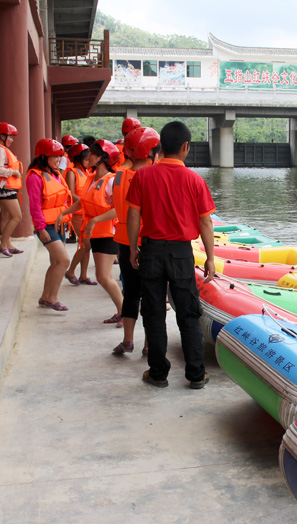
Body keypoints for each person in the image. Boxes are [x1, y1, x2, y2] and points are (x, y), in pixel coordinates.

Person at [126, 121, 215, 389]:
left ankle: (158, 372)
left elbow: (133, 215)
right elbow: (206, 223)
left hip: (151, 251)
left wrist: (133, 248)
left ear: (161, 147)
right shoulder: (195, 180)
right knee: (188, 314)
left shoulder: (142, 176)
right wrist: (210, 257)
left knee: (153, 313)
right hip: (181, 254)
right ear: (186, 147)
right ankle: (196, 375)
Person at [61, 140, 122, 324]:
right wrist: (63, 213)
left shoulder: (111, 180)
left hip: (108, 233)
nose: (89, 157)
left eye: (93, 153)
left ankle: (125, 312)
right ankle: (123, 312)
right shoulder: (91, 178)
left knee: (104, 277)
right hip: (95, 233)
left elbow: (119, 209)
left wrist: (95, 220)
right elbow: (83, 203)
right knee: (103, 277)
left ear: (103, 158)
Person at [110, 127, 159, 356]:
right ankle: (149, 344)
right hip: (146, 242)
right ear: (152, 153)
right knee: (151, 294)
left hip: (123, 241)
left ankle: (127, 340)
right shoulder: (150, 177)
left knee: (130, 292)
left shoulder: (120, 174)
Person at [27, 139, 71, 311]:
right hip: (46, 226)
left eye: (60, 157)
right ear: (44, 156)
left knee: (55, 263)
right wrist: (40, 228)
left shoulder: (55, 174)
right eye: (55, 157)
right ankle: (52, 298)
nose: (58, 160)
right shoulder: (34, 177)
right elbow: (35, 206)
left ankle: (45, 297)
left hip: (58, 224)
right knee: (63, 261)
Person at [0, 122, 23, 256]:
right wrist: (14, 173)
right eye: (10, 137)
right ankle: (3, 245)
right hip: (3, 187)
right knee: (17, 216)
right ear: (2, 136)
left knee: (7, 216)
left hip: (6, 187)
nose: (12, 140)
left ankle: (7, 244)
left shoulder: (0, 148)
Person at [62, 142, 95, 285]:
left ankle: (83, 275)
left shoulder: (86, 172)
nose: (89, 162)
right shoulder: (72, 172)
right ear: (77, 159)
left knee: (86, 245)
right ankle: (70, 271)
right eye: (86, 159)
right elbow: (71, 193)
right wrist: (84, 201)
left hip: (86, 212)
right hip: (77, 213)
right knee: (86, 245)